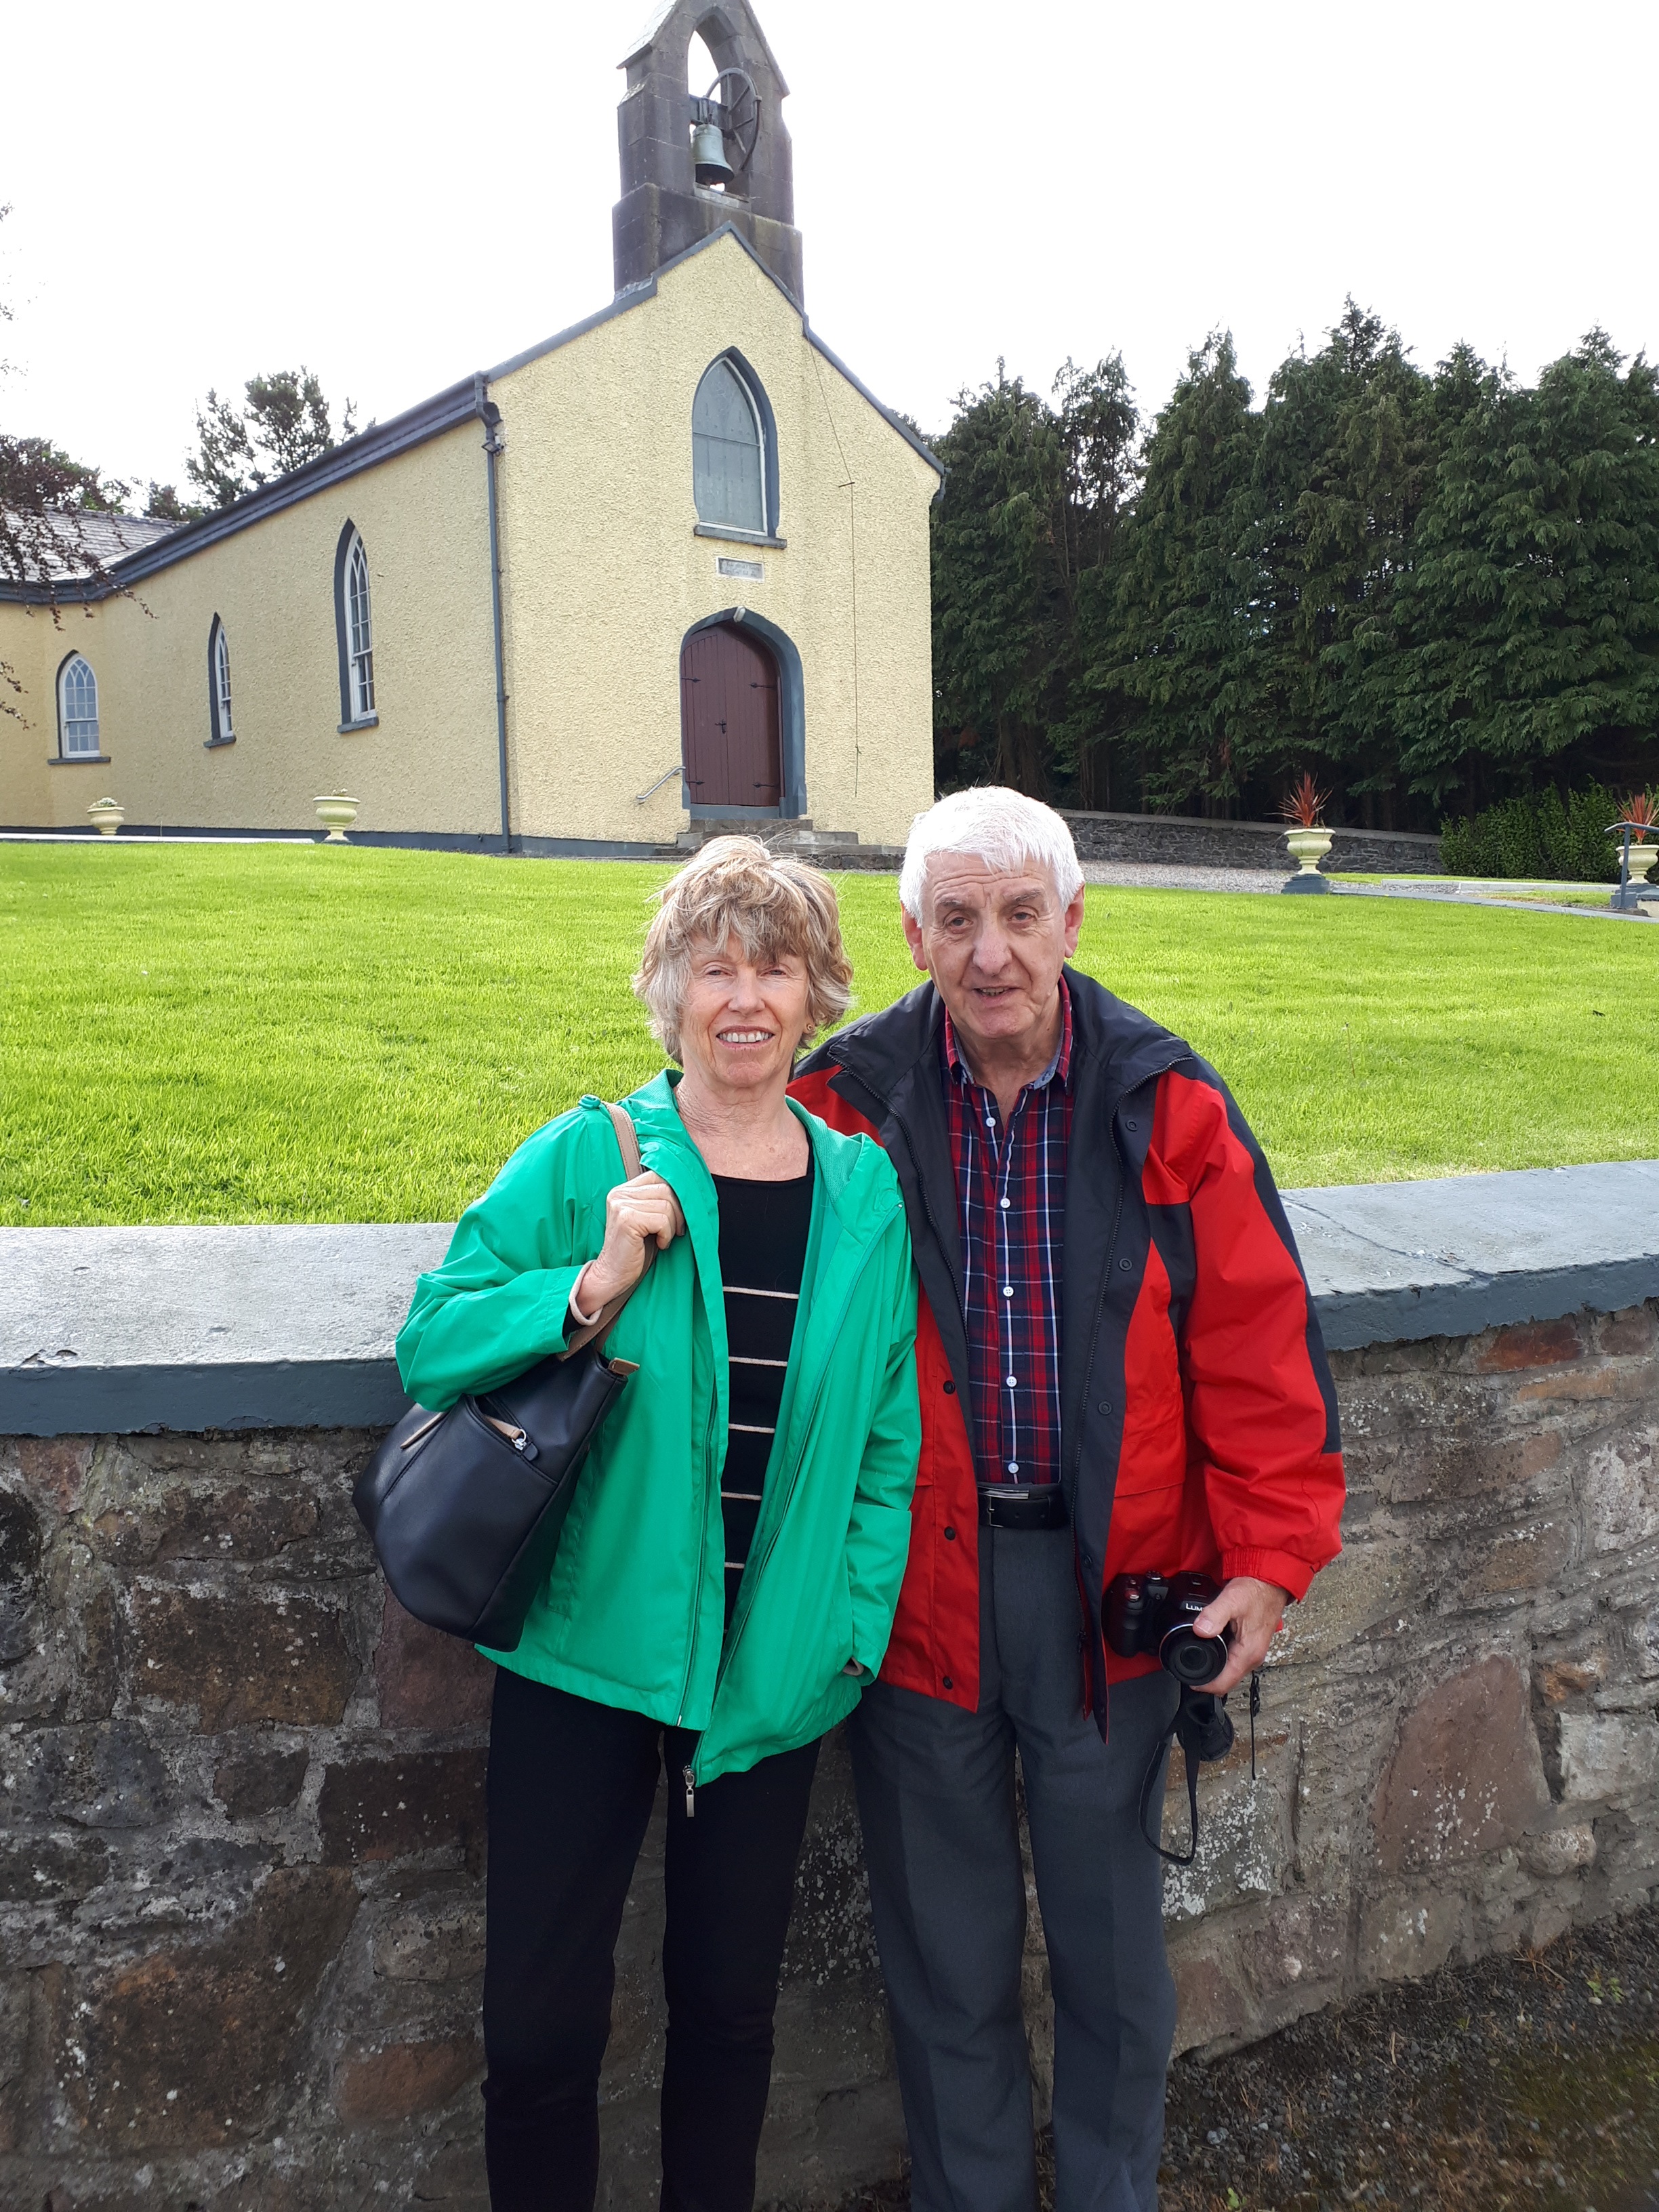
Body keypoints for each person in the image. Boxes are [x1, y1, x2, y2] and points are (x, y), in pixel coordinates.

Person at [790, 789, 1346, 2212]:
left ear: (1072, 921)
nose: (992, 953)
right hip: (919, 1593)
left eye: (1020, 915)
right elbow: (707, 1178)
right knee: (944, 1963)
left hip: (1112, 1599)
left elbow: (1259, 1353)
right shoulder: (848, 1101)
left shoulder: (1166, 1103)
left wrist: (1271, 1564)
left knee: (1111, 1966)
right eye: (958, 920)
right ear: (915, 935)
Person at [395, 838, 920, 2212]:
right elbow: (434, 1336)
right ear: (670, 987)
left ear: (817, 999)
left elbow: (883, 1443)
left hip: (768, 1679)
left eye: (778, 966)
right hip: (586, 1661)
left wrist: (849, 1634)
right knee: (540, 2031)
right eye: (715, 965)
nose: (744, 997)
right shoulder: (594, 1154)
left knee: (730, 2016)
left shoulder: (863, 1196)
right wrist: (590, 1281)